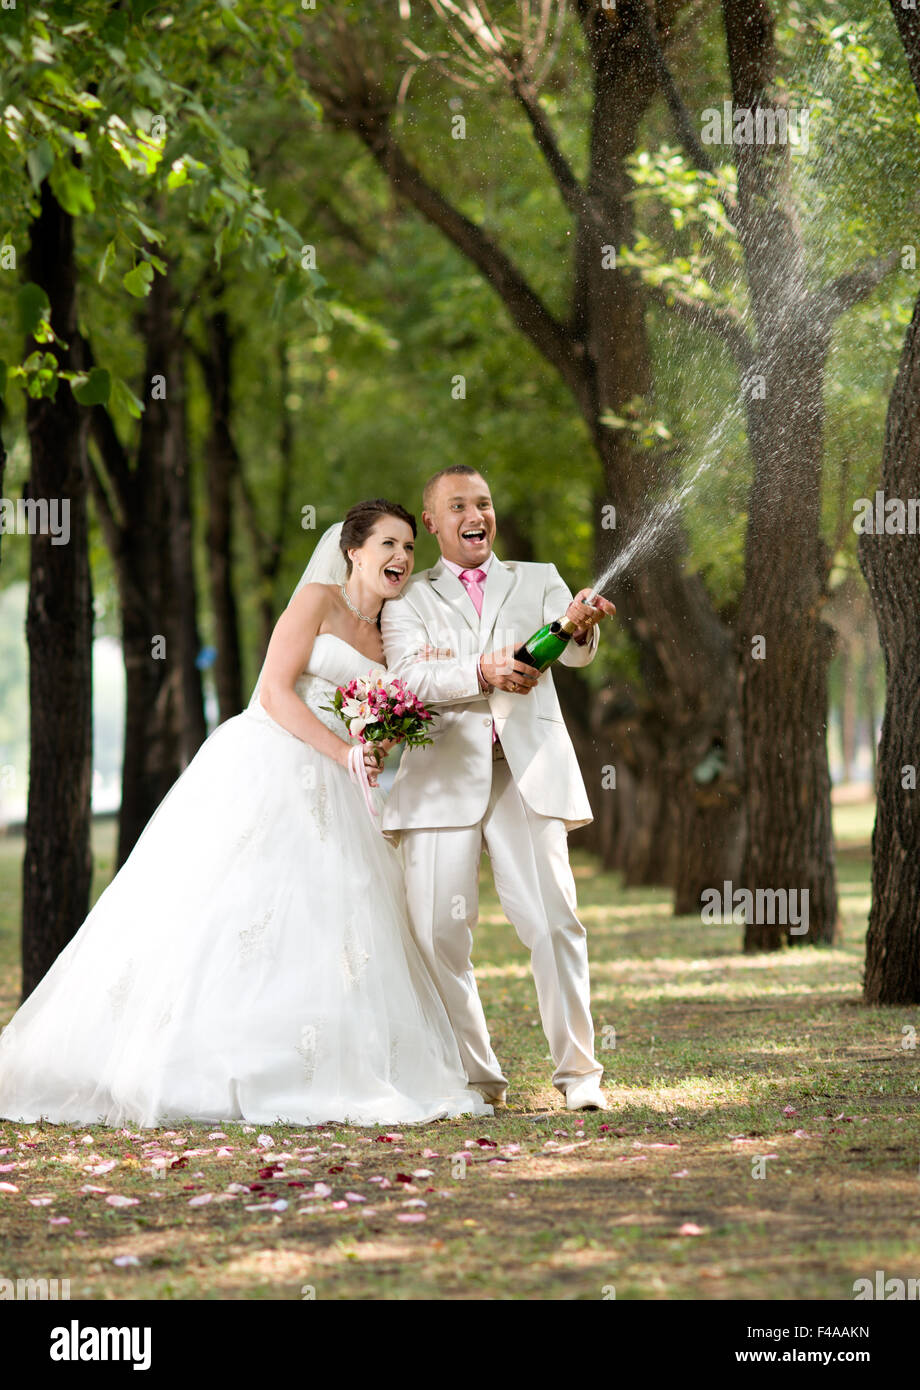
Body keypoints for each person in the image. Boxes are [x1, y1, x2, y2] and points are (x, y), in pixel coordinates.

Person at [0, 500, 491, 1128]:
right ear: (354, 551)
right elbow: (274, 692)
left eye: (409, 549)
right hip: (270, 760)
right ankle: (188, 1059)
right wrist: (343, 749)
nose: (401, 558)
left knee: (334, 922)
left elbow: (394, 713)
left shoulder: (395, 633)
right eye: (388, 545)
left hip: (343, 785)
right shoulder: (316, 601)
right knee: (230, 908)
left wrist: (375, 745)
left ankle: (313, 1061)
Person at [380, 466, 617, 1112]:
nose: (474, 514)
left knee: (553, 921)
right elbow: (407, 679)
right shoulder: (406, 597)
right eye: (457, 505)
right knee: (438, 936)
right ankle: (477, 1079)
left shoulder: (536, 578)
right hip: (441, 779)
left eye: (482, 502)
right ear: (432, 523)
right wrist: (480, 670)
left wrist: (579, 622)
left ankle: (579, 1076)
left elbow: (571, 651)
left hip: (526, 773)